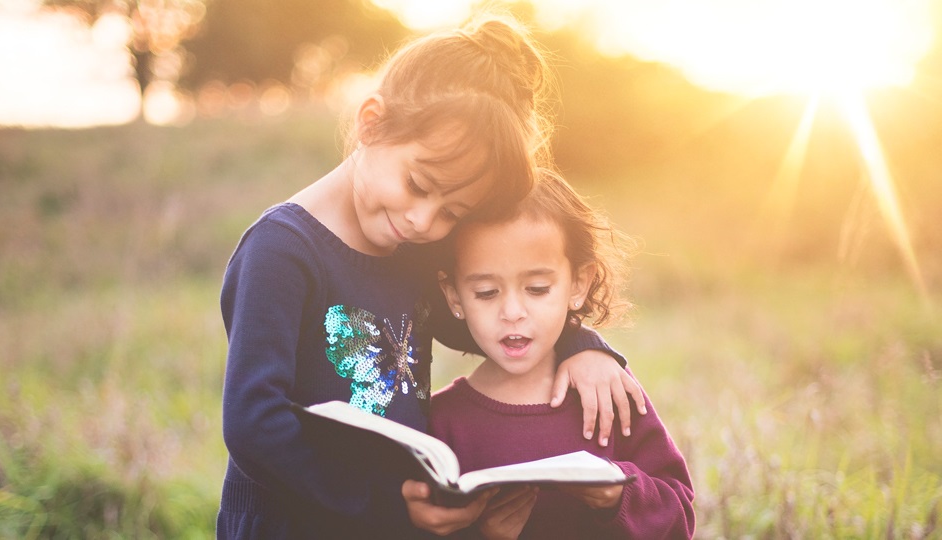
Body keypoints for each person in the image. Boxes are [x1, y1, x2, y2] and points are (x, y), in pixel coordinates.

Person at [216, 14, 646, 539]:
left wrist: (584, 346)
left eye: (452, 212)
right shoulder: (282, 251)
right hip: (290, 522)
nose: (425, 221)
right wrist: (386, 506)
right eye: (418, 184)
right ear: (371, 122)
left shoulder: (410, 249)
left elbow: (491, 324)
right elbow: (253, 424)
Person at [430, 172, 695, 539]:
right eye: (487, 292)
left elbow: (679, 514)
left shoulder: (606, 390)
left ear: (578, 285)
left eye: (537, 289)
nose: (512, 311)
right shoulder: (442, 422)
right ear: (455, 296)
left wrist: (618, 496)